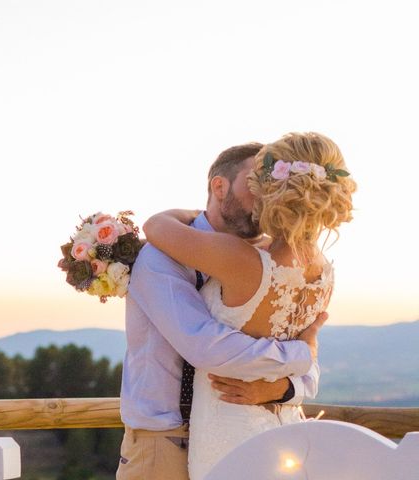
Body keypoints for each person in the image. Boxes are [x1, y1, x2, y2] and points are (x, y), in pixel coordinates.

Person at [143, 132, 356, 478]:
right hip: (285, 429)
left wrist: (197, 210)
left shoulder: (241, 259)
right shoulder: (324, 273)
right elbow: (304, 354)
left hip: (228, 431)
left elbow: (155, 227)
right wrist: (288, 379)